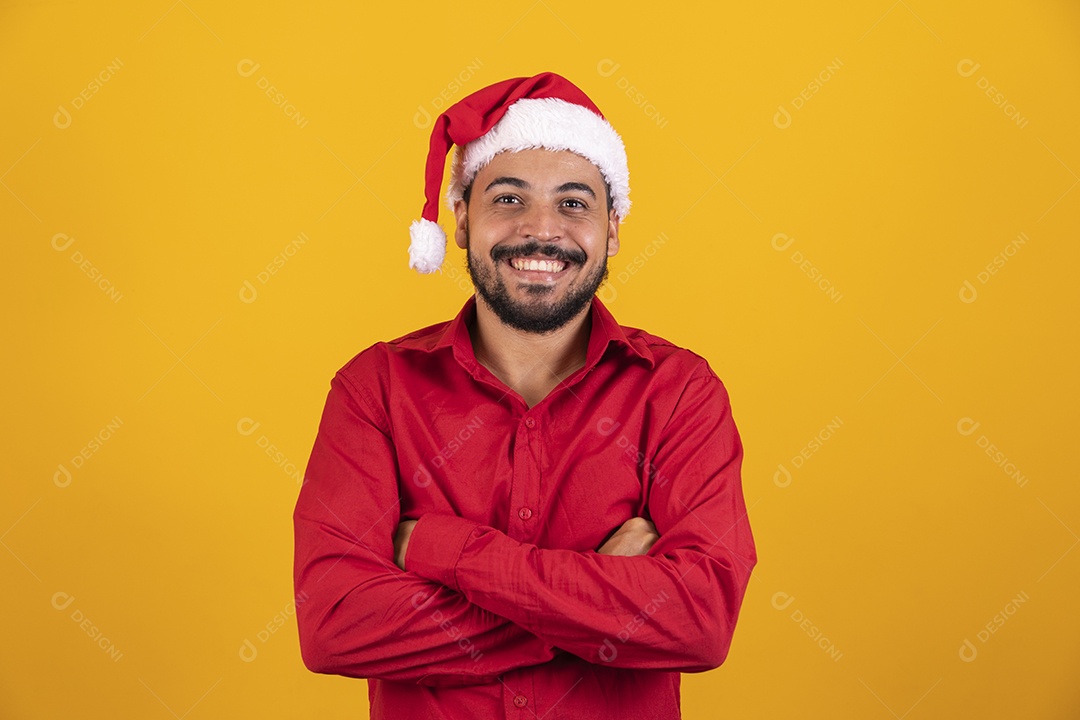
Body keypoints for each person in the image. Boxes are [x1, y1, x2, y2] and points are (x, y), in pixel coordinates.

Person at [293, 72, 756, 720]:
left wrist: (442, 550)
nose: (541, 229)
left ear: (612, 229)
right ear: (461, 219)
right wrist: (595, 602)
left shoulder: (679, 393)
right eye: (508, 198)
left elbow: (698, 620)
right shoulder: (375, 391)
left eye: (574, 203)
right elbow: (336, 624)